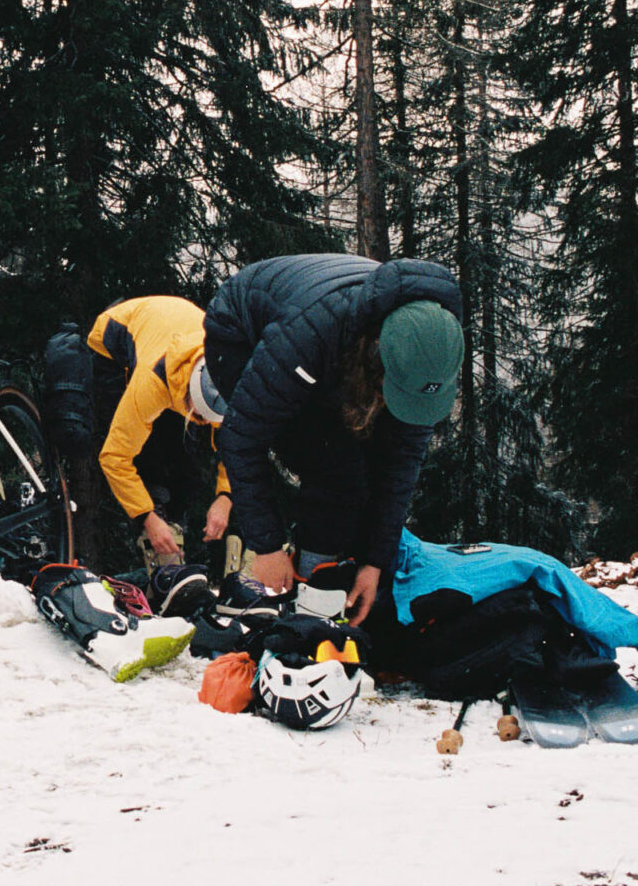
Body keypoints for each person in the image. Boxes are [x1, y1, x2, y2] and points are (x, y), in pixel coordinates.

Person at [198, 254, 464, 626]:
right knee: (334, 468)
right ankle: (309, 609)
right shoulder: (310, 335)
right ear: (376, 358)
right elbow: (242, 436)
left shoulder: (429, 355)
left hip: (332, 342)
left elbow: (400, 469)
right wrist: (267, 546)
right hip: (240, 332)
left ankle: (337, 588)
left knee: (364, 469)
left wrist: (374, 563)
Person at [85, 296, 231, 566]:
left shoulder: (228, 376)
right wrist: (146, 516)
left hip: (177, 332)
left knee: (184, 459)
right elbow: (115, 458)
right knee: (146, 456)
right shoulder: (149, 386)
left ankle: (175, 533)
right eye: (198, 413)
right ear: (188, 394)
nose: (202, 420)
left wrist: (225, 496)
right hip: (114, 342)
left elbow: (237, 445)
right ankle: (159, 556)